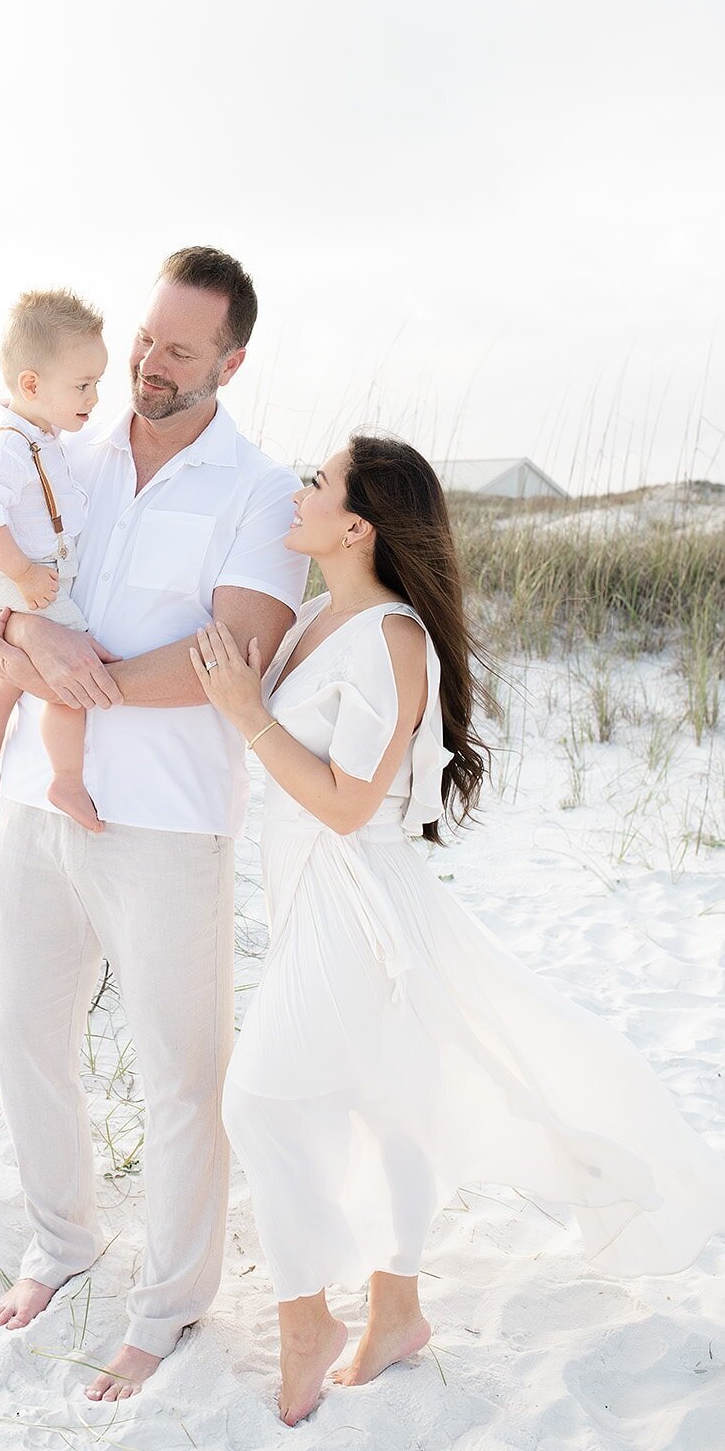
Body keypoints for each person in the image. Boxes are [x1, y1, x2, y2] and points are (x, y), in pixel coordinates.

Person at [191, 435, 725, 1428]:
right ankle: (393, 1307)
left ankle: (303, 1315)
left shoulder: (391, 636)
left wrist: (239, 711)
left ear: (356, 524)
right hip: (308, 892)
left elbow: (350, 805)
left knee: (259, 1098)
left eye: (317, 482)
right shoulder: (315, 615)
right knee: (386, 1098)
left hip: (357, 902)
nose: (298, 491)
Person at [0, 247, 309, 1402]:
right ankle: (61, 1242)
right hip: (42, 808)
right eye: (146, 340)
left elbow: (232, 656)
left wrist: (60, 668)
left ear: (231, 362)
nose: (148, 366)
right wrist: (30, 645)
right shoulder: (62, 443)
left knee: (178, 1074)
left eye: (179, 352)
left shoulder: (259, 489)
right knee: (26, 1035)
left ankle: (170, 1303)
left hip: (167, 825)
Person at [0, 288, 107, 828]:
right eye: (83, 386)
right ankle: (65, 781)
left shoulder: (43, 437)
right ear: (32, 385)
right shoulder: (6, 446)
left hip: (25, 573)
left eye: (97, 384)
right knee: (74, 675)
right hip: (7, 572)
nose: (94, 397)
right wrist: (21, 572)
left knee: (14, 677)